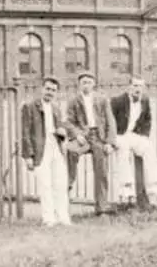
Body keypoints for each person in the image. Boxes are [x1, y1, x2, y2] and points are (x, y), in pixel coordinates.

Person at [20, 76, 72, 226]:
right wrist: (28, 156)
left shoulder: (56, 108)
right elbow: (25, 132)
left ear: (57, 93)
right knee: (45, 185)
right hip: (40, 149)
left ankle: (63, 217)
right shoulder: (30, 107)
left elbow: (60, 128)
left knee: (60, 184)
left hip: (55, 147)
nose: (50, 92)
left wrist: (62, 134)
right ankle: (49, 219)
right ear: (42, 89)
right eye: (48, 89)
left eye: (53, 90)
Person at [65, 70, 117, 215]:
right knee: (70, 151)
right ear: (79, 85)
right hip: (83, 137)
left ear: (94, 84)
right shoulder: (73, 100)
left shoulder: (102, 99)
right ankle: (67, 185)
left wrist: (109, 142)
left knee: (101, 170)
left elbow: (110, 121)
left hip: (99, 137)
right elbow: (68, 122)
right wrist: (77, 134)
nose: (86, 85)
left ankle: (101, 207)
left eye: (89, 82)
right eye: (83, 82)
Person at [110, 75, 157, 203]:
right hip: (119, 134)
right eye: (135, 85)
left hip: (133, 135)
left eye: (140, 86)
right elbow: (110, 122)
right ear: (129, 87)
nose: (137, 89)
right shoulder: (118, 101)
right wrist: (111, 140)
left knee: (148, 147)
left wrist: (143, 136)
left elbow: (148, 120)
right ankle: (126, 188)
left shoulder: (144, 100)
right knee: (123, 150)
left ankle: (154, 185)